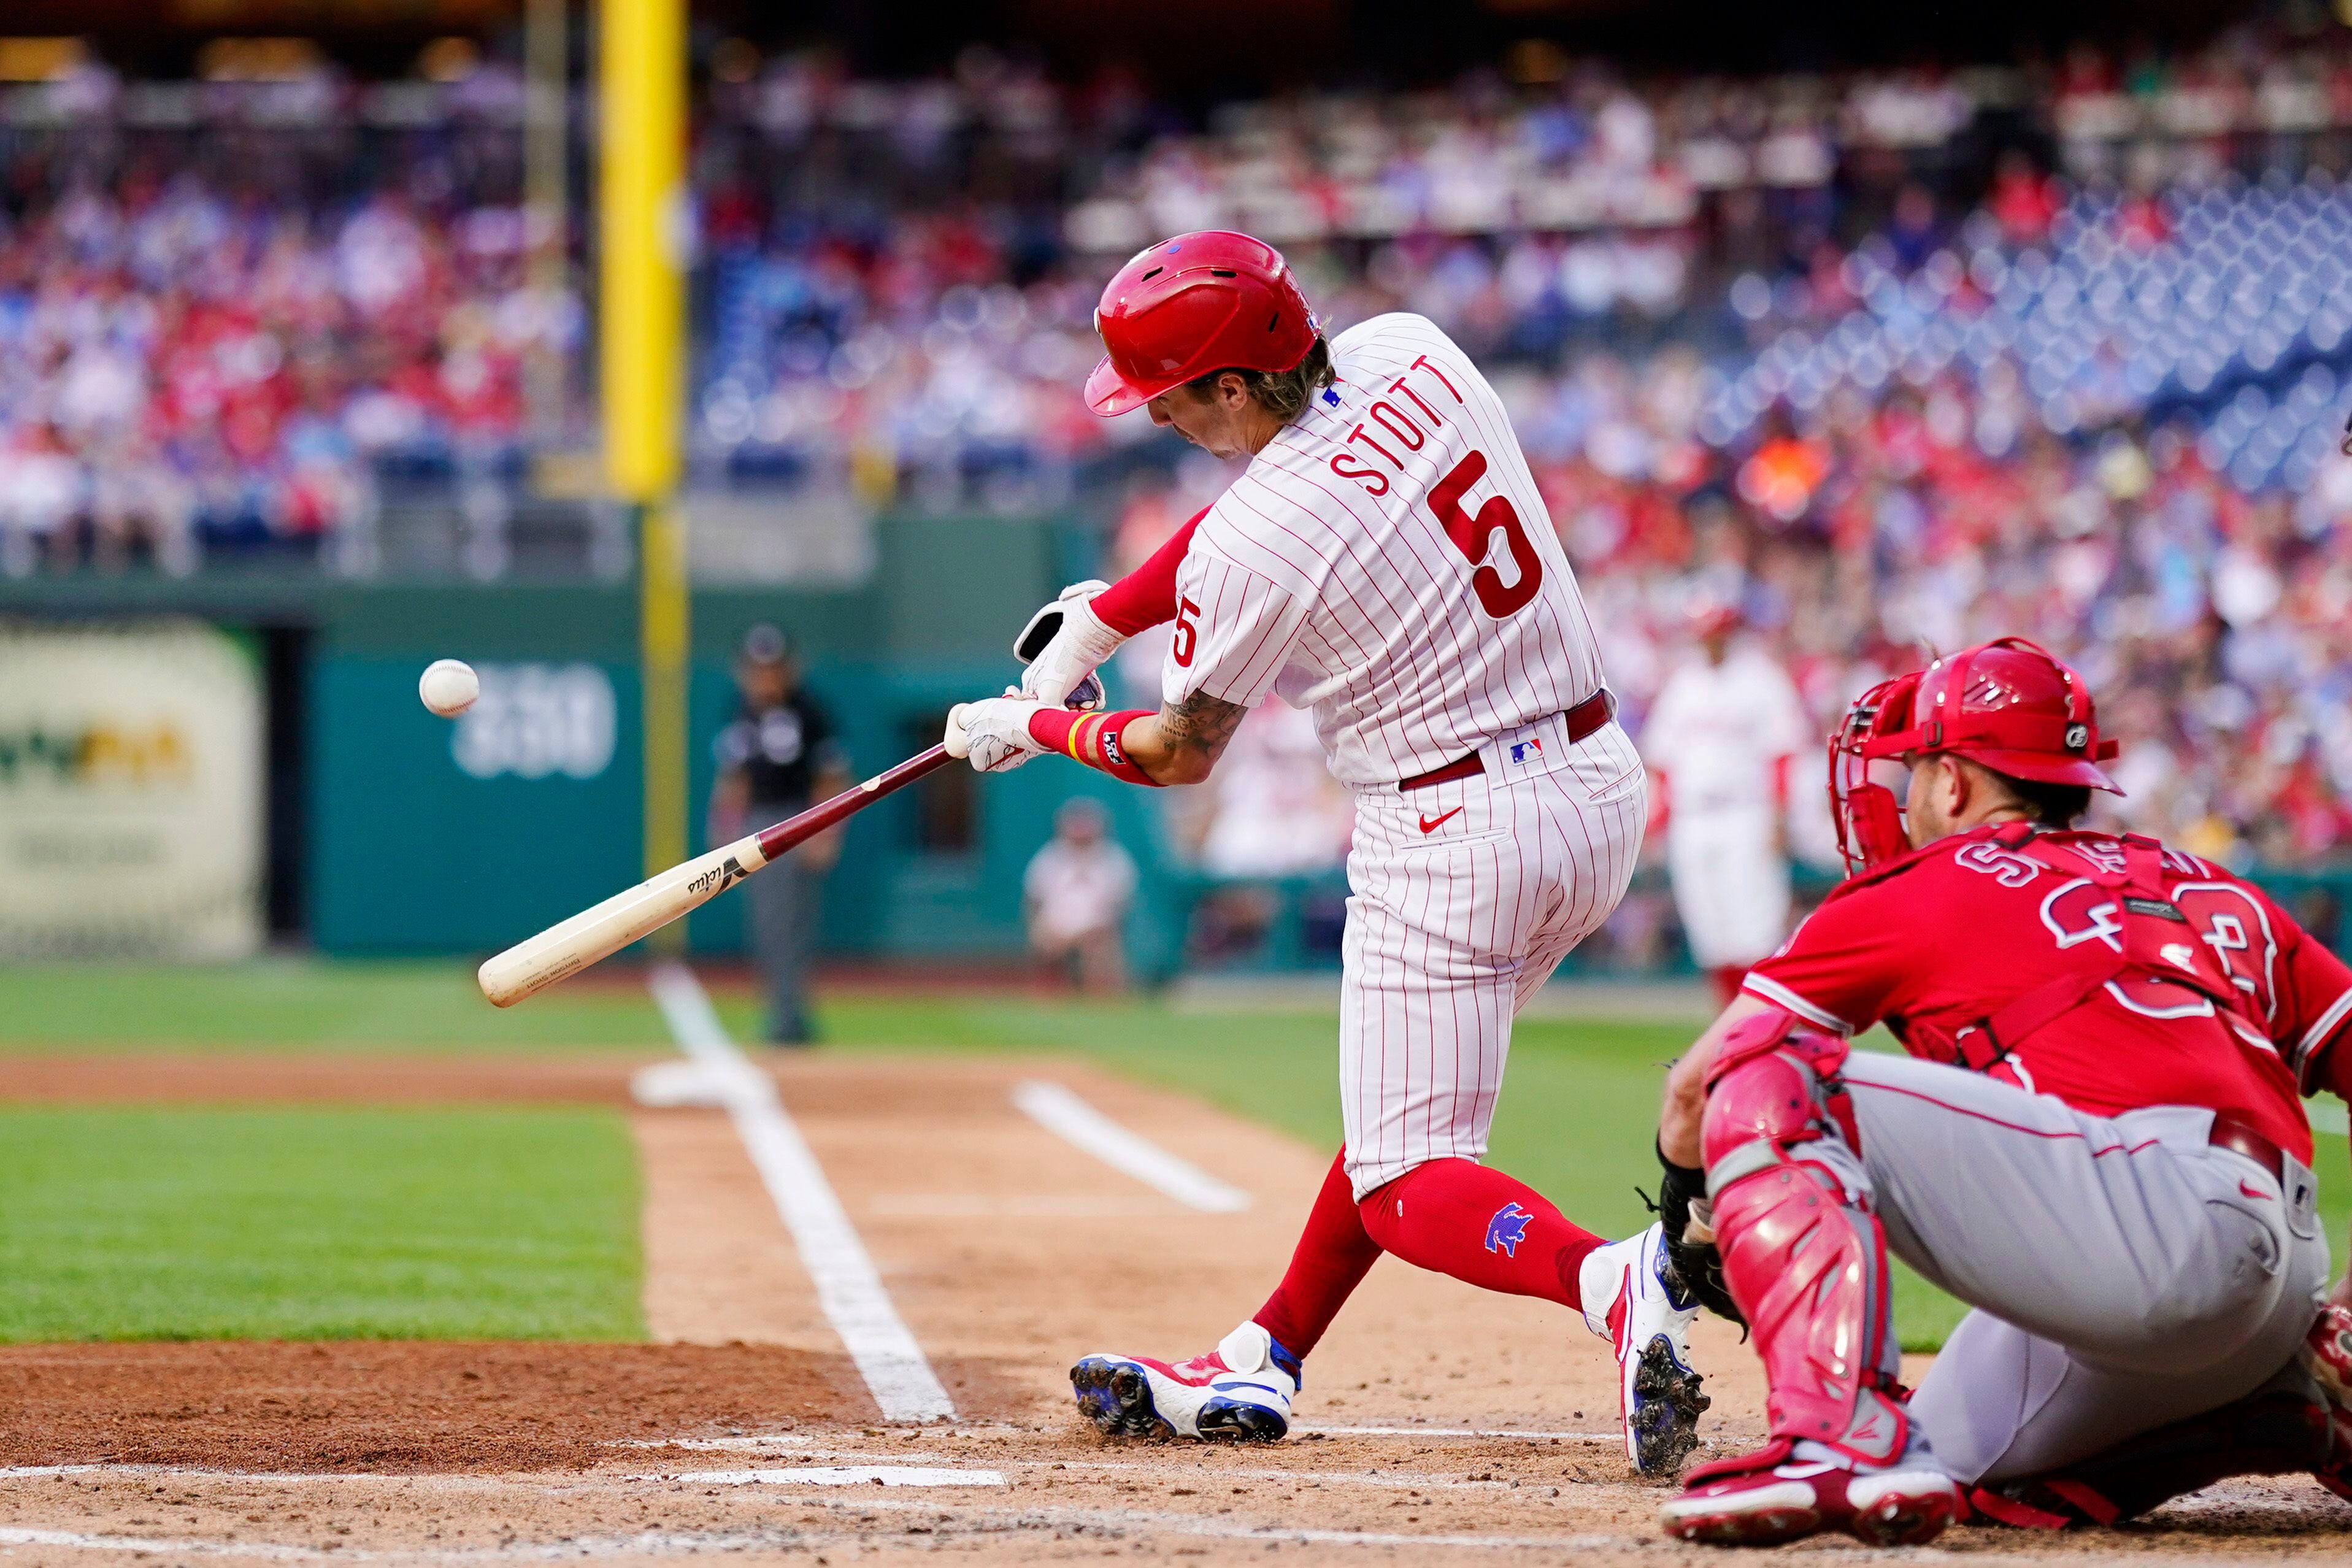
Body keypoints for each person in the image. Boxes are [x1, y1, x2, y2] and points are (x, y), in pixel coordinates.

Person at [943, 230, 1706, 1472]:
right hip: (1595, 788)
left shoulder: (1262, 534)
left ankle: (1616, 1283)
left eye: (1176, 397)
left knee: (1407, 1178)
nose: (1165, 421)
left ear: (1235, 387)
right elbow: (1276, 504)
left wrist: (1034, 726)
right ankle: (1267, 1354)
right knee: (1400, 1109)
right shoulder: (1408, 347)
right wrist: (1103, 613)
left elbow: (1180, 749)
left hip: (1453, 828)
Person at [1637, 636, 2352, 1547]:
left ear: (1952, 784)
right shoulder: (2209, 887)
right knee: (1941, 1470)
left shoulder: (1927, 884)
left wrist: (1685, 1206)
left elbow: (1698, 1090)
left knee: (1767, 1076)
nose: (1901, 795)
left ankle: (1832, 1439)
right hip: (2275, 1282)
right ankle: (2275, 1410)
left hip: (2145, 1238)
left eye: (1914, 770)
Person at [1640, 603, 1807, 1004]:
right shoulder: (1684, 685)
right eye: (1703, 634)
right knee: (1710, 930)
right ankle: (1729, 1022)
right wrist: (1655, 825)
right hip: (1693, 817)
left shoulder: (1761, 680)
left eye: (1715, 632)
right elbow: (1661, 763)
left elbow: (1783, 753)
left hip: (1746, 812)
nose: (1709, 641)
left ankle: (1764, 1019)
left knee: (1755, 926)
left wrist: (1780, 819)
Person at [708, 626, 849, 1045]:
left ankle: (790, 1020)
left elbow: (832, 776)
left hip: (796, 820)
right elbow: (733, 778)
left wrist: (826, 832)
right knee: (767, 925)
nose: (764, 678)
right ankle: (785, 1016)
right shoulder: (741, 710)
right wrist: (722, 829)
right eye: (758, 669)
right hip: (756, 822)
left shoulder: (809, 710)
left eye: (772, 669)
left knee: (792, 926)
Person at [1024, 797, 1138, 993]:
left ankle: (1104, 1001)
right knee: (1046, 944)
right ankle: (1048, 998)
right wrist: (1038, 930)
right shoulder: (1049, 857)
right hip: (1056, 929)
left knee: (1103, 953)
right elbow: (1033, 900)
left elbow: (1121, 904)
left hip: (1098, 930)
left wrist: (1098, 930)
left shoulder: (1114, 858)